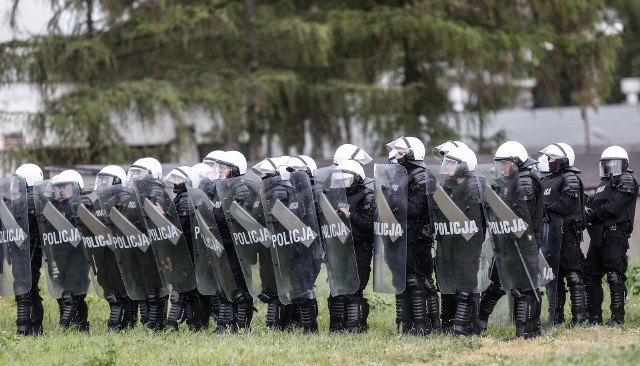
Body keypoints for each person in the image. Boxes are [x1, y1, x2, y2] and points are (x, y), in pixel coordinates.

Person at [477, 141, 543, 339]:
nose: (502, 167)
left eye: (505, 163)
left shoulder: (525, 181)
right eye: (500, 164)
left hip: (523, 243)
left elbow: (523, 217)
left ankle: (526, 332)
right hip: (506, 242)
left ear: (516, 162)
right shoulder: (508, 181)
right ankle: (478, 322)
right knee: (497, 284)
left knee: (525, 287)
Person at [385, 136, 439, 335]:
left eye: (400, 153)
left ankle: (425, 325)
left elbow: (415, 209)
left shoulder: (422, 176)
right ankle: (406, 325)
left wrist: (393, 198)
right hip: (399, 236)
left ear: (411, 154)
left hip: (417, 237)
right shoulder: (401, 176)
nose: (397, 157)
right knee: (403, 281)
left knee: (419, 281)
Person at [434, 146, 487, 336]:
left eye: (452, 163)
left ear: (464, 165)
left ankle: (465, 327)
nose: (447, 167)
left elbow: (478, 220)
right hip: (448, 242)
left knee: (466, 284)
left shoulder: (476, 186)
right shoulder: (448, 185)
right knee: (450, 284)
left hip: (469, 244)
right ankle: (448, 325)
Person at [585, 146, 638, 326]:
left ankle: (617, 318)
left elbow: (614, 207)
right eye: (607, 162)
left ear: (623, 163)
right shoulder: (603, 184)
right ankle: (594, 317)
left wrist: (591, 215)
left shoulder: (627, 180)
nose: (610, 165)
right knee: (590, 274)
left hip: (615, 234)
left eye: (614, 162)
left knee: (615, 275)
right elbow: (592, 205)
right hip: (599, 235)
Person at [540, 143, 587, 325]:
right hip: (549, 234)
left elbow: (566, 204)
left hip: (567, 233)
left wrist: (546, 209)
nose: (548, 161)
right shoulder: (547, 180)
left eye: (551, 158)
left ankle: (579, 318)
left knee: (574, 276)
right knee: (553, 277)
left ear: (563, 161)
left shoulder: (570, 178)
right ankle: (556, 318)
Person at [86, 165, 138, 331]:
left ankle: (120, 324)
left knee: (124, 292)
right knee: (111, 290)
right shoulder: (97, 203)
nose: (101, 183)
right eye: (100, 179)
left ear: (116, 181)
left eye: (105, 180)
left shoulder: (125, 200)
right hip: (105, 254)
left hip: (124, 254)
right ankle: (123, 323)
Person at [328, 160, 376, 333]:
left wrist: (350, 215)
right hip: (339, 247)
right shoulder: (335, 196)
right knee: (338, 289)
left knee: (354, 289)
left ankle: (356, 327)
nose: (341, 183)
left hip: (359, 247)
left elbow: (371, 226)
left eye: (345, 179)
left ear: (356, 179)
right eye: (339, 180)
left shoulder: (367, 196)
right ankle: (337, 327)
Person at [213, 151, 256, 332]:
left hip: (237, 246)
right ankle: (225, 323)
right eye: (220, 167)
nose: (220, 171)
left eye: (224, 168)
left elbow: (237, 218)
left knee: (238, 286)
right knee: (224, 285)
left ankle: (242, 325)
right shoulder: (219, 188)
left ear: (235, 170)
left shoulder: (241, 190)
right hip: (221, 243)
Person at [163, 166, 205, 331]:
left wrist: (164, 217)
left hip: (186, 251)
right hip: (186, 251)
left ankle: (171, 323)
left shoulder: (186, 198)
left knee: (180, 288)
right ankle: (196, 323)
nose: (175, 183)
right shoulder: (181, 197)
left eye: (179, 179)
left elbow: (183, 227)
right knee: (190, 289)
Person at [14, 163, 45, 335]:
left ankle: (28, 327)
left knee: (27, 289)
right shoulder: (22, 200)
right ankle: (30, 327)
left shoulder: (32, 202)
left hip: (30, 251)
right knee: (28, 288)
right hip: (24, 250)